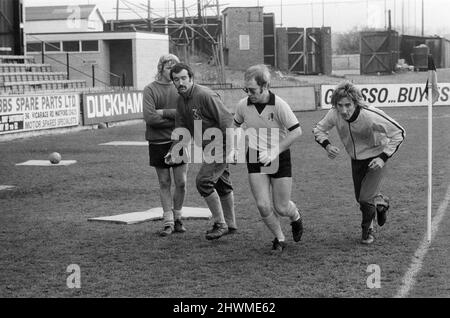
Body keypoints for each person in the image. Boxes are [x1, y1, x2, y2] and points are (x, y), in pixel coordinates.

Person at [313, 81, 405, 244]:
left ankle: (367, 230)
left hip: (375, 158)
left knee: (364, 198)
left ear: (356, 102)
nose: (343, 110)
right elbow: (319, 129)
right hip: (356, 160)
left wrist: (382, 157)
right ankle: (381, 201)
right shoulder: (334, 114)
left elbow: (399, 132)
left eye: (348, 105)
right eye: (339, 105)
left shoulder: (370, 115)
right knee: (361, 199)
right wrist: (327, 145)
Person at [232, 64, 304, 252]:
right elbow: (236, 126)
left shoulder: (279, 105)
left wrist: (274, 151)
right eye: (246, 89)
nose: (249, 93)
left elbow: (296, 132)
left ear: (265, 86)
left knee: (281, 207)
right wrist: (234, 149)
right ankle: (279, 238)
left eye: (253, 89)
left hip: (279, 156)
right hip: (255, 155)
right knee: (263, 205)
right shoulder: (242, 105)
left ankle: (295, 216)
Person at [165, 62, 237, 240]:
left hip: (220, 144)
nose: (180, 82)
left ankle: (220, 224)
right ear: (173, 82)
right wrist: (173, 150)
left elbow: (227, 121)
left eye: (183, 78)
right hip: (208, 147)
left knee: (203, 182)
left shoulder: (205, 95)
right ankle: (231, 225)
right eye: (176, 79)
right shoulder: (181, 101)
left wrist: (232, 149)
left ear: (191, 79)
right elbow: (181, 129)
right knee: (222, 184)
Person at [143, 54, 188, 237]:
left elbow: (186, 115)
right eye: (169, 68)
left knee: (182, 182)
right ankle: (168, 221)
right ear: (161, 68)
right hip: (157, 141)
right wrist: (177, 119)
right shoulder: (150, 89)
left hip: (178, 140)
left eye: (176, 68)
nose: (173, 71)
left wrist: (167, 114)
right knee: (164, 182)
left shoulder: (181, 89)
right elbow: (150, 118)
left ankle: (178, 217)